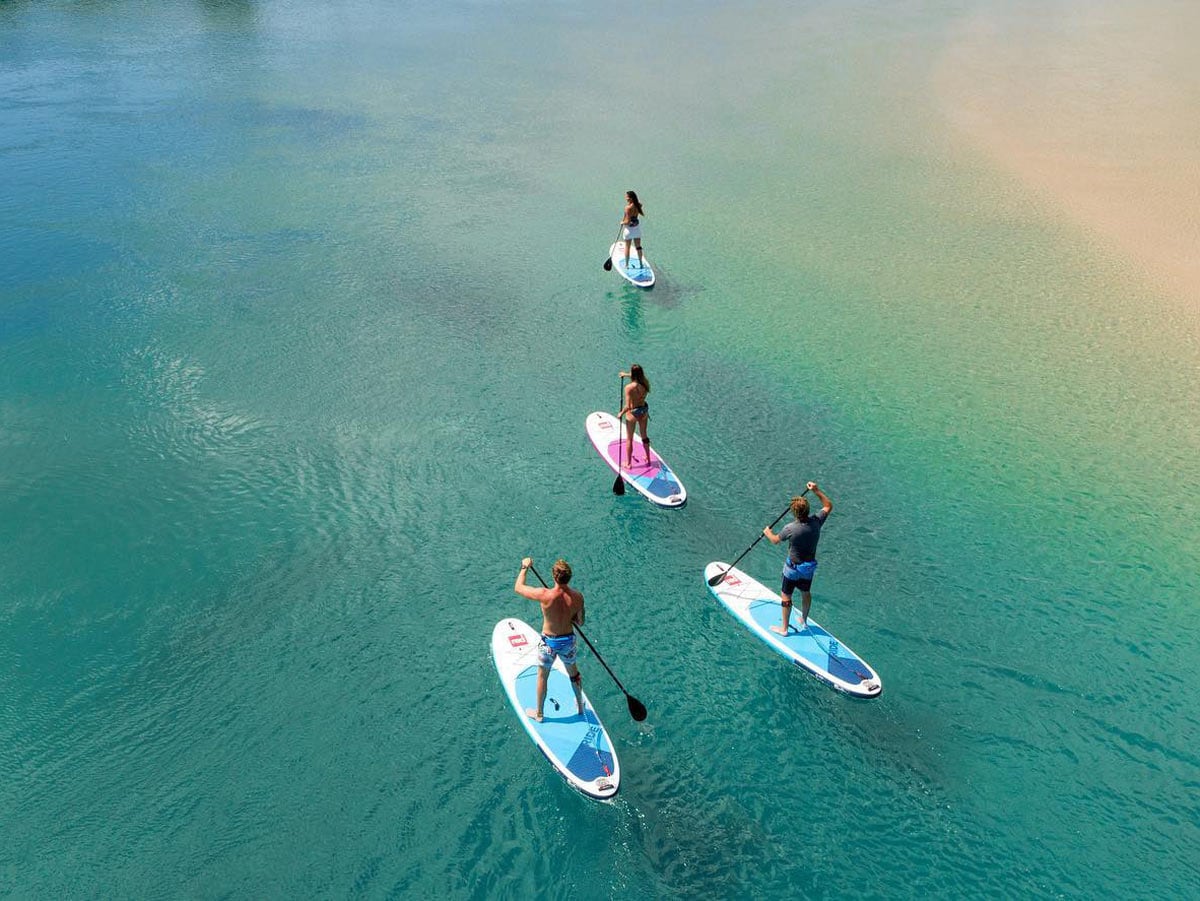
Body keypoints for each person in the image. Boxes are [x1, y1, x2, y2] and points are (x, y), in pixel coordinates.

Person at [513, 556, 586, 722]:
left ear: (554, 576)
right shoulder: (578, 597)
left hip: (548, 644)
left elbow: (518, 587)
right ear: (569, 577)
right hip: (568, 642)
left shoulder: (544, 594)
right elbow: (580, 622)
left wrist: (525, 567)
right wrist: (570, 615)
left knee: (542, 676)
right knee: (574, 674)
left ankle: (539, 714)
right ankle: (580, 708)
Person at [762, 482, 833, 634]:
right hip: (808, 568)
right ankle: (804, 620)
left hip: (792, 569)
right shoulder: (816, 522)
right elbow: (828, 505)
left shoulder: (790, 528)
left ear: (794, 513)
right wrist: (815, 490)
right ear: (807, 510)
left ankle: (784, 629)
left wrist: (767, 532)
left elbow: (775, 540)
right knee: (805, 592)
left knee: (786, 595)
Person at [616, 364, 650, 468]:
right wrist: (625, 374)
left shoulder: (629, 388)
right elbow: (636, 375)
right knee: (644, 436)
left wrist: (621, 413)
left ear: (633, 374)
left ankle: (629, 463)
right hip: (643, 411)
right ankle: (648, 458)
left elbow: (629, 406)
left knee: (629, 438)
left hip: (632, 414)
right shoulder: (645, 383)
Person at [620, 190, 645, 270]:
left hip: (629, 230)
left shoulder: (628, 208)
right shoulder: (639, 205)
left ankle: (626, 265)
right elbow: (640, 204)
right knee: (638, 247)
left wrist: (622, 222)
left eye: (627, 197)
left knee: (627, 247)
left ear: (631, 198)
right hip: (637, 229)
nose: (626, 198)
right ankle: (641, 264)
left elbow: (627, 222)